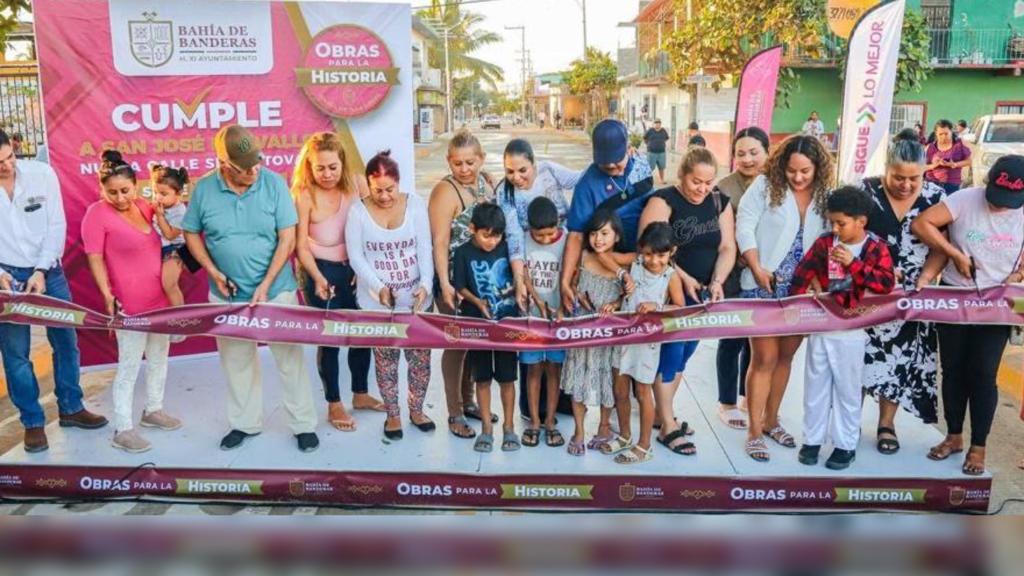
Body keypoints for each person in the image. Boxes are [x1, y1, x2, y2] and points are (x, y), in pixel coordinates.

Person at [182, 124, 319, 453]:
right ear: (224, 164)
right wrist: (213, 271)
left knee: (290, 360)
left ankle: (303, 425)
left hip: (277, 291)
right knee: (236, 362)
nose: (254, 171)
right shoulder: (204, 190)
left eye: (257, 162)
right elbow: (190, 232)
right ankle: (245, 423)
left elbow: (287, 238)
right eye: (245, 167)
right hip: (226, 297)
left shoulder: (273, 183)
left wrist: (266, 284)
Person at [912, 154, 1024, 476]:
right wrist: (954, 254)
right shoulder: (964, 199)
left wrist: (1017, 276)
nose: (1000, 206)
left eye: (1009, 202)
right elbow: (922, 224)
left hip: (997, 304)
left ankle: (979, 446)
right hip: (955, 297)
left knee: (983, 374)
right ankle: (954, 436)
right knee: (952, 370)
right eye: (996, 197)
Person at [0, 130, 108, 452]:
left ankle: (71, 407)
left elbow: (56, 225)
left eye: (9, 158)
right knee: (16, 354)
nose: (7, 166)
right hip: (5, 277)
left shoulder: (42, 174)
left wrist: (42, 270)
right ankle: (32, 423)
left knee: (66, 341)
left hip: (49, 270)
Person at [736, 134, 832, 462]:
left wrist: (818, 279)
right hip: (763, 283)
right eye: (792, 171)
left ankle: (771, 421)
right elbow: (744, 225)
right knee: (764, 357)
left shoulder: (824, 194)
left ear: (817, 168)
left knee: (785, 358)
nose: (798, 177)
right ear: (782, 166)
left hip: (802, 289)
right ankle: (753, 431)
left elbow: (828, 239)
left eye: (805, 171)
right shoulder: (764, 185)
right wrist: (755, 266)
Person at [636, 146, 736, 456]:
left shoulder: (719, 202)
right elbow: (649, 250)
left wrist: (717, 281)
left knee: (684, 356)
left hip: (701, 297)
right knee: (670, 354)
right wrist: (682, 276)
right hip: (669, 296)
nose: (702, 189)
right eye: (696, 181)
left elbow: (727, 247)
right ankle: (667, 425)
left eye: (708, 182)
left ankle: (662, 414)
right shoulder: (664, 200)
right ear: (682, 175)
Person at [82, 151, 182, 453]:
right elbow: (95, 259)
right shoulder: (96, 214)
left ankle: (153, 410)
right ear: (102, 189)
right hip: (129, 305)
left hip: (158, 300)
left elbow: (171, 231)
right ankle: (122, 428)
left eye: (125, 190)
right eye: (111, 192)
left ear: (136, 185)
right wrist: (107, 295)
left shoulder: (144, 206)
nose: (120, 197)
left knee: (159, 358)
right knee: (128, 366)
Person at [789, 186, 896, 470]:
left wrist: (854, 264)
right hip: (822, 329)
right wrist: (801, 299)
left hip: (853, 332)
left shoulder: (875, 248)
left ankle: (845, 445)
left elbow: (886, 284)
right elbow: (801, 274)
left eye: (841, 223)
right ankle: (811, 441)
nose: (835, 228)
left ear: (861, 221)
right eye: (832, 223)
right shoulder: (825, 243)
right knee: (815, 388)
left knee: (848, 391)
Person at [859, 129, 947, 454]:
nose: (906, 185)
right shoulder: (865, 192)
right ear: (886, 169)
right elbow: (844, 237)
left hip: (912, 295)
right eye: (898, 177)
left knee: (899, 359)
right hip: (867, 294)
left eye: (914, 178)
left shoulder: (936, 198)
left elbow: (942, 246)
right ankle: (848, 422)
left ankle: (886, 424)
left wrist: (926, 277)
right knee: (858, 357)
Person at [292, 131, 382, 433]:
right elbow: (300, 247)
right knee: (330, 340)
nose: (327, 174)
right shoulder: (304, 194)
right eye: (320, 168)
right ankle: (333, 402)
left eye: (333, 167)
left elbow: (372, 228)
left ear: (342, 163)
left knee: (362, 334)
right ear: (309, 166)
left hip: (356, 269)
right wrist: (318, 278)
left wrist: (364, 266)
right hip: (320, 271)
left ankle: (360, 393)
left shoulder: (356, 184)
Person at [346, 150, 434, 441]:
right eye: (377, 190)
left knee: (419, 362)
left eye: (389, 189)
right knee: (386, 362)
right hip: (377, 303)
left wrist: (426, 285)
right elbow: (356, 257)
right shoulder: (358, 212)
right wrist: (379, 288)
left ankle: (417, 410)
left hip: (415, 301)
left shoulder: (415, 204)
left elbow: (425, 248)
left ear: (398, 183)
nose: (384, 196)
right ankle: (393, 414)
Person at [427, 129, 496, 438]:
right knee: (456, 346)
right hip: (454, 282)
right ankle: (454, 412)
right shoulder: (445, 191)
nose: (465, 169)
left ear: (481, 159)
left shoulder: (485, 184)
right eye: (458, 163)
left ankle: (469, 401)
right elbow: (440, 242)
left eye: (470, 162)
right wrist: (444, 284)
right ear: (448, 161)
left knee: (472, 342)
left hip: (480, 281)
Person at [560, 119, 654, 313]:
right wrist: (566, 281)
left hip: (644, 261)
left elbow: (654, 204)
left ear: (628, 148)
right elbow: (576, 235)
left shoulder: (641, 165)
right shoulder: (587, 184)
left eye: (617, 162)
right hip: (607, 265)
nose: (613, 167)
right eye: (606, 165)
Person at [610, 222, 684, 464]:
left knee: (643, 393)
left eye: (661, 255)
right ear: (641, 249)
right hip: (623, 336)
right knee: (620, 390)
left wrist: (657, 307)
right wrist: (619, 289)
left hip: (648, 343)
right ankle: (624, 436)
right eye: (649, 254)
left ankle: (644, 445)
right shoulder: (635, 263)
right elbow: (606, 257)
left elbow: (681, 308)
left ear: (672, 252)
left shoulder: (670, 276)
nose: (654, 261)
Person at [714, 126, 770, 429]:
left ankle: (750, 397)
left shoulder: (777, 184)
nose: (747, 159)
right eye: (740, 153)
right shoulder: (723, 188)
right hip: (735, 273)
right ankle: (727, 402)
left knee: (758, 340)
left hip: (766, 273)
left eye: (753, 152)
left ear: (767, 152)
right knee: (732, 337)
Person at [453, 203, 520, 452]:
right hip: (477, 326)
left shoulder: (507, 248)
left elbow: (518, 276)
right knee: (482, 379)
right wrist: (477, 302)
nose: (492, 242)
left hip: (506, 325)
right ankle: (486, 430)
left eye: (497, 236)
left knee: (507, 379)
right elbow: (460, 286)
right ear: (472, 229)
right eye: (486, 235)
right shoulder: (462, 252)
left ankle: (509, 428)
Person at [561, 210, 627, 456]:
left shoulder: (624, 263)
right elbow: (573, 284)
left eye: (605, 234)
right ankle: (578, 431)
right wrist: (577, 294)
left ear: (617, 236)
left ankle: (604, 426)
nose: (598, 239)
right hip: (582, 331)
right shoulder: (583, 256)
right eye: (594, 234)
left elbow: (629, 296)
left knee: (606, 381)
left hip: (609, 336)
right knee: (578, 381)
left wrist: (616, 304)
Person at [520, 196, 567, 448]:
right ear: (529, 228)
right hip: (531, 319)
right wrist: (537, 302)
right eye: (540, 235)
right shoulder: (522, 240)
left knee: (554, 370)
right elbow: (523, 273)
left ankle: (550, 421)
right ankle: (534, 422)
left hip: (559, 319)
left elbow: (572, 275)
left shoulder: (567, 239)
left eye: (550, 233)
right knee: (533, 370)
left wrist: (561, 309)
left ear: (558, 223)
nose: (546, 239)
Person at [149, 164, 189, 310]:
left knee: (169, 284)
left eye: (163, 194)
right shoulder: (160, 206)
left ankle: (180, 316)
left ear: (178, 193)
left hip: (176, 249)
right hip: (159, 249)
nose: (158, 197)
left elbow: (170, 235)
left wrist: (159, 216)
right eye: (155, 192)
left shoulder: (180, 212)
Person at [925, 119, 972, 195]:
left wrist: (954, 164)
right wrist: (934, 165)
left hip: (952, 184)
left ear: (951, 132)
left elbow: (969, 161)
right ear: (936, 134)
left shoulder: (959, 144)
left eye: (946, 134)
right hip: (932, 183)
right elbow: (921, 167)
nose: (944, 136)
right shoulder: (930, 147)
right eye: (940, 134)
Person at [644, 119, 671, 185]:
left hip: (661, 152)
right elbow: (645, 138)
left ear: (660, 124)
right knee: (650, 168)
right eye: (656, 123)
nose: (657, 124)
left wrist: (661, 143)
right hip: (651, 152)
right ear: (654, 124)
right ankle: (647, 180)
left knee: (661, 167)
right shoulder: (650, 130)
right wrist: (648, 144)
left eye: (658, 123)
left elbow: (666, 138)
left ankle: (662, 180)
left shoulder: (663, 130)